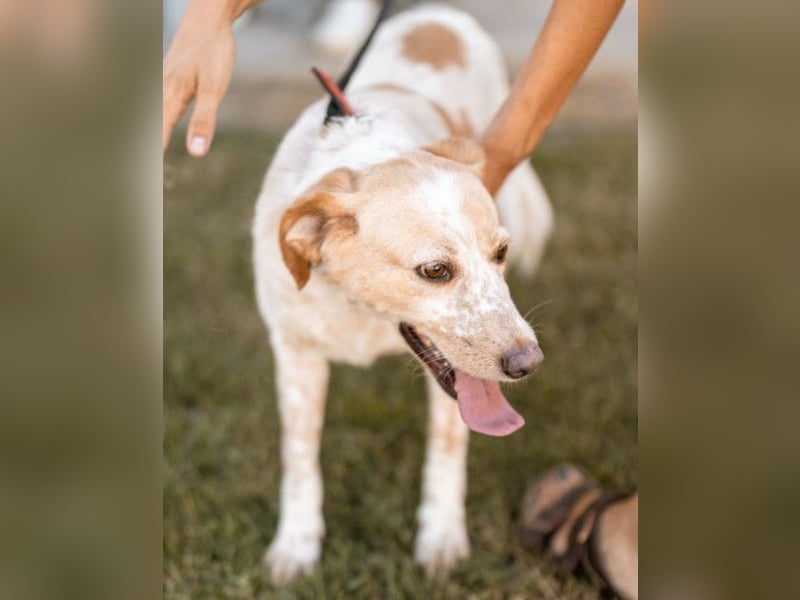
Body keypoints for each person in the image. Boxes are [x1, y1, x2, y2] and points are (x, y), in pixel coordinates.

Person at [162, 0, 636, 596]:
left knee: (464, 348)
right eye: (438, 271)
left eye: (498, 254)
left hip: (450, 98)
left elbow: (484, 157)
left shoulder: (455, 167)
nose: (519, 342)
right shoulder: (304, 220)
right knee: (320, 342)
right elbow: (298, 347)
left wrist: (445, 512)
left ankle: (441, 506)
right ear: (313, 238)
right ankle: (302, 516)